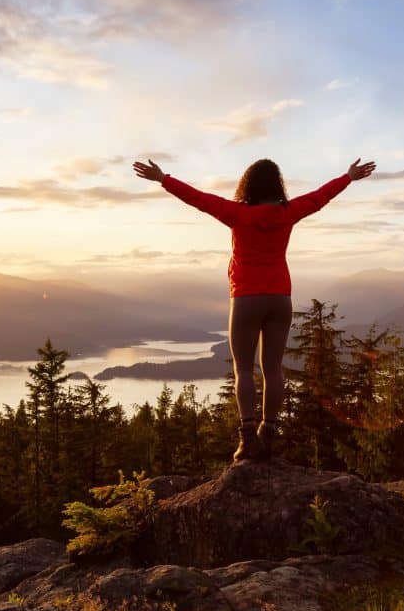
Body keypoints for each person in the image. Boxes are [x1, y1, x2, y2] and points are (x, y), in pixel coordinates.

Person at [132, 156, 376, 462]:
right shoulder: (289, 213)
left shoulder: (237, 214)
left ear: (247, 184)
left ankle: (247, 439)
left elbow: (199, 199)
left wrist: (163, 179)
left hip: (246, 297)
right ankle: (268, 433)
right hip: (279, 298)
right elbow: (319, 197)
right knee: (273, 369)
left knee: (244, 369)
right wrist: (348, 177)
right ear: (277, 185)